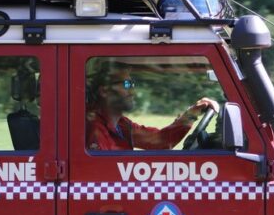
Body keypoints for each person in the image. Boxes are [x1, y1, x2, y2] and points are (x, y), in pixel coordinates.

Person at [86, 65, 219, 151]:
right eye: (126, 84)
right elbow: (106, 171)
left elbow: (160, 141)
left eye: (132, 83)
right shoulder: (93, 127)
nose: (133, 91)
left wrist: (191, 114)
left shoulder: (121, 125)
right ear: (104, 91)